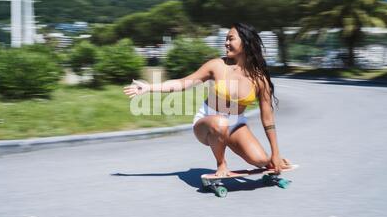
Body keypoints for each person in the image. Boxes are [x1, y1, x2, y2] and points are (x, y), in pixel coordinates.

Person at [123, 22, 293, 177]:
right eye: (225, 39)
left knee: (261, 160)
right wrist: (148, 88)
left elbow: (268, 118)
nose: (226, 43)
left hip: (235, 123)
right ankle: (221, 164)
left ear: (245, 42)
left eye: (230, 39)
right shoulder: (217, 66)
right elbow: (183, 83)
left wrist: (275, 154)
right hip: (207, 123)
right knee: (220, 123)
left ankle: (273, 160)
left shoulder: (259, 79)